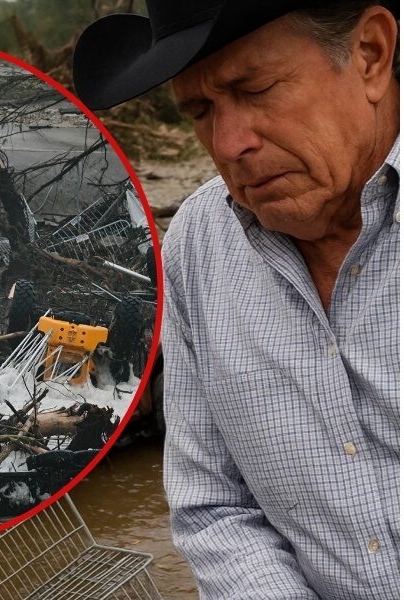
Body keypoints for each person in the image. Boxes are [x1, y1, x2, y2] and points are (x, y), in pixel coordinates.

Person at [73, 2, 399, 598]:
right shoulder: (197, 247)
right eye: (200, 111)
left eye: (255, 89)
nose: (228, 145)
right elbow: (215, 508)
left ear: (371, 55)